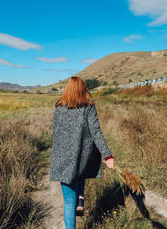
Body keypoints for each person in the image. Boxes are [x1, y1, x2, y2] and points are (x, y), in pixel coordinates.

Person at [49, 76, 115, 229]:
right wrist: (108, 155)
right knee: (82, 168)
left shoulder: (59, 107)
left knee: (68, 202)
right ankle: (80, 198)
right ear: (82, 89)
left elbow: (55, 131)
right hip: (82, 156)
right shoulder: (88, 107)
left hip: (62, 158)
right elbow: (96, 132)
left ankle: (79, 200)